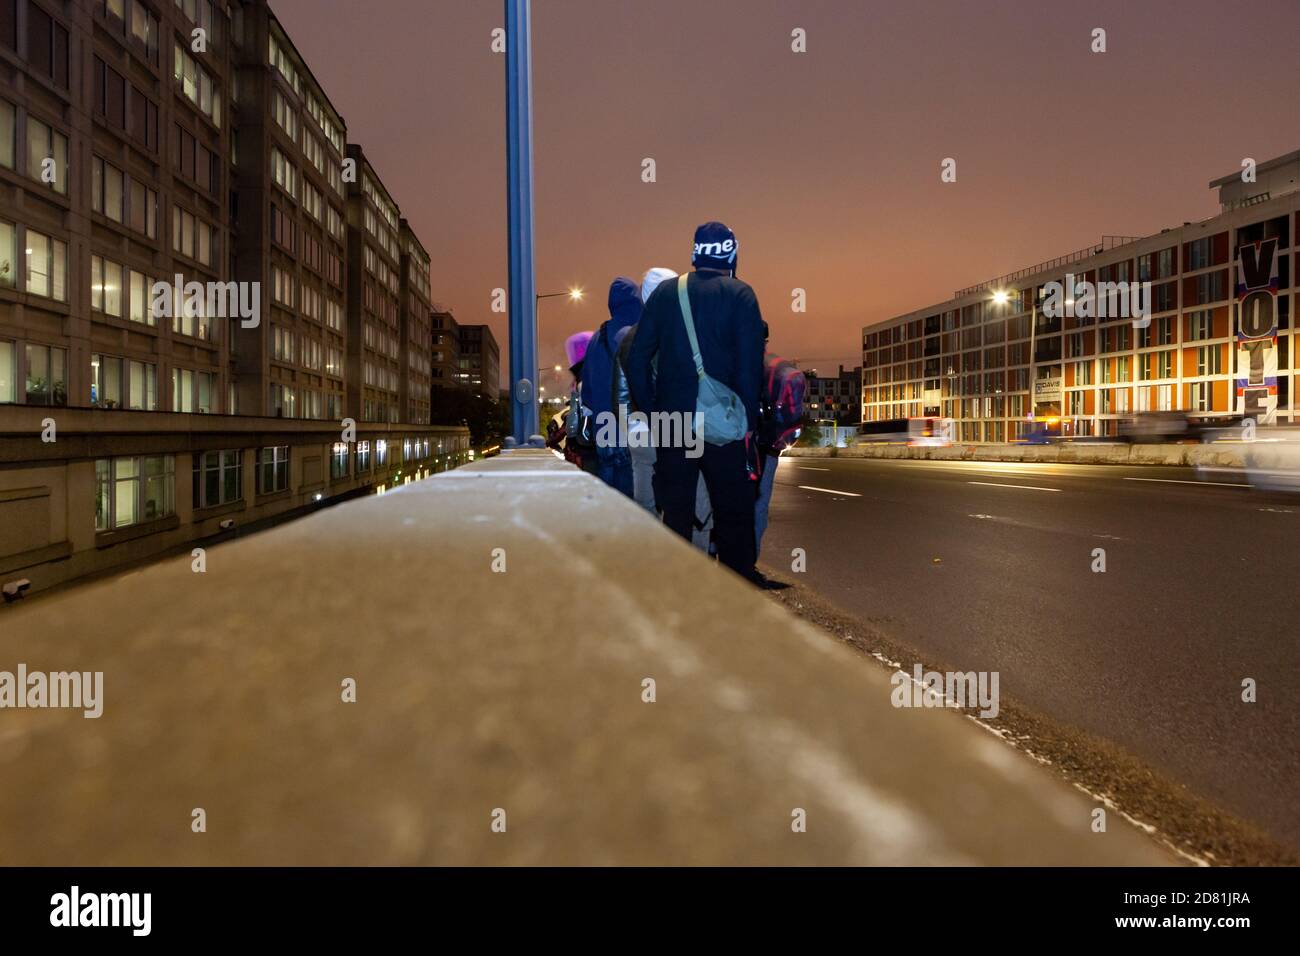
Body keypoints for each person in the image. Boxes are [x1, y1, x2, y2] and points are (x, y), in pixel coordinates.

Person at [626, 221, 764, 580]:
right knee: (733, 515)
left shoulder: (666, 295)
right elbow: (750, 370)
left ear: (694, 254)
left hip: (673, 425)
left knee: (676, 514)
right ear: (732, 254)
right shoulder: (742, 295)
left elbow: (637, 358)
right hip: (724, 426)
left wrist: (654, 411)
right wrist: (747, 423)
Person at [611, 268, 677, 512]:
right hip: (679, 429)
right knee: (688, 503)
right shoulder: (682, 332)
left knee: (645, 502)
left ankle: (652, 546)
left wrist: (632, 427)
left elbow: (620, 395)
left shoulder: (628, 338)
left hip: (642, 431)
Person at [581, 278, 642, 497]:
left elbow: (586, 392)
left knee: (608, 501)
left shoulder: (598, 337)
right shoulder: (637, 334)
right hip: (631, 434)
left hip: (603, 434)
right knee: (633, 504)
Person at [754, 321, 806, 560]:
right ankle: (747, 564)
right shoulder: (777, 366)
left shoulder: (730, 360)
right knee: (759, 504)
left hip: (733, 443)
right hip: (767, 447)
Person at [562, 331, 598, 472]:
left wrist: (571, 440)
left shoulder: (581, 381)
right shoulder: (598, 371)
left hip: (587, 443)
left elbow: (574, 419)